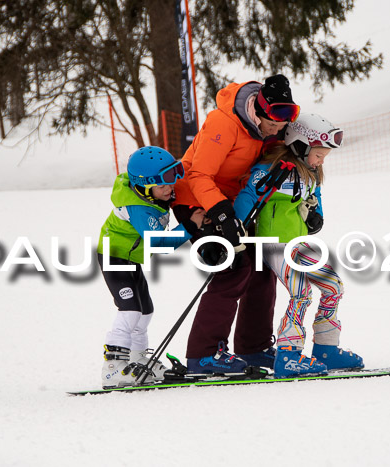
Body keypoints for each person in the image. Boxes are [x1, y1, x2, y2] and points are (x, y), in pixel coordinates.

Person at [172, 74, 301, 374]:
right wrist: (220, 214)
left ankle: (253, 347)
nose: (280, 127)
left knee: (260, 264)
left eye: (287, 118)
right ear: (259, 108)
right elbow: (198, 175)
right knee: (233, 267)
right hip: (196, 199)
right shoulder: (224, 123)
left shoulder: (270, 127)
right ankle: (203, 355)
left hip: (233, 203)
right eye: (275, 120)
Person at [233, 113, 364, 378]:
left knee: (333, 286)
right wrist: (235, 226)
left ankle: (326, 349)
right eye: (319, 155)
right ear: (300, 144)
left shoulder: (310, 173)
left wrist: (318, 215)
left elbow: (315, 196)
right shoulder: (269, 170)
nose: (320, 161)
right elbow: (247, 197)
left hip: (300, 242)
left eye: (324, 157)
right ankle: (288, 355)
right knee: (301, 293)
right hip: (274, 244)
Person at [97, 146, 206, 389]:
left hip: (130, 259)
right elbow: (159, 244)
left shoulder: (153, 194)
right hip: (113, 257)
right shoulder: (139, 207)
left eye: (172, 179)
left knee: (145, 311)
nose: (170, 188)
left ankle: (137, 360)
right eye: (163, 184)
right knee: (131, 309)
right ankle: (113, 367)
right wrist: (189, 225)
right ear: (145, 186)